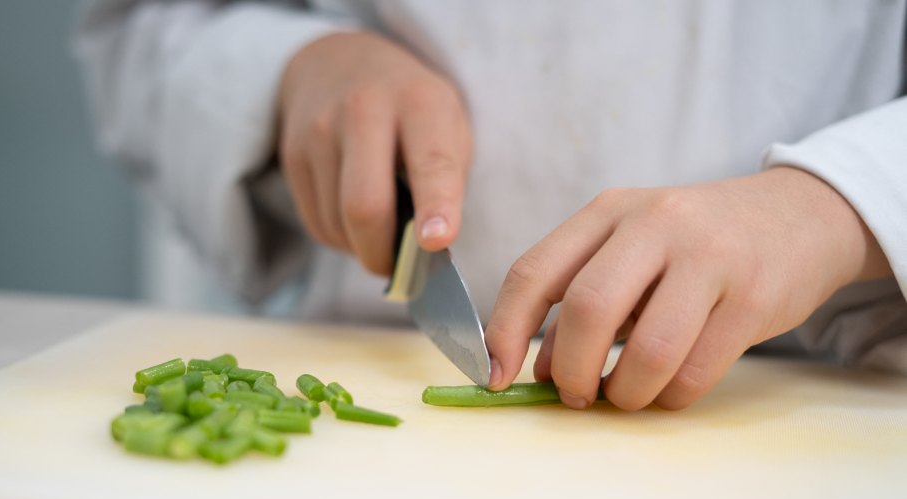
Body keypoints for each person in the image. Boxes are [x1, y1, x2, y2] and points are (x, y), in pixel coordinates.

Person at [75, 0, 907, 411]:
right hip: (371, 353)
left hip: (810, 390)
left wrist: (842, 202)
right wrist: (288, 67)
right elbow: (149, 23)